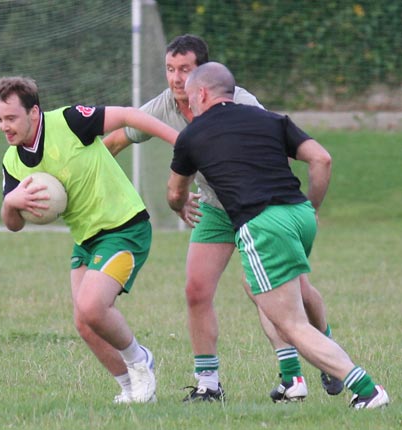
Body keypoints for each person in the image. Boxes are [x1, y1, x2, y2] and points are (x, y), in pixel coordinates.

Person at [104, 34, 343, 402]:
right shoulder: (163, 106)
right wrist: (91, 177)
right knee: (196, 290)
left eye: (185, 69)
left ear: (205, 74)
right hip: (215, 210)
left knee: (289, 293)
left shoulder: (242, 102)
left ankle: (326, 353)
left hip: (261, 207)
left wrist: (300, 206)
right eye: (170, 69)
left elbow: (270, 145)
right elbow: (119, 138)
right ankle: (208, 384)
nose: (176, 78)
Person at [166, 61, 390, 410]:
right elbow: (321, 159)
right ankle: (291, 380)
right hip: (300, 215)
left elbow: (175, 192)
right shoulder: (270, 119)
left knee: (293, 322)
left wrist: (178, 205)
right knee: (259, 288)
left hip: (262, 224)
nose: (189, 105)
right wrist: (311, 207)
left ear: (203, 94)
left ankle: (366, 388)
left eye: (191, 98)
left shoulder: (192, 135)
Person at [0, 76, 179, 404]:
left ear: (33, 113)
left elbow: (126, 116)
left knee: (92, 306)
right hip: (87, 238)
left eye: (11, 118)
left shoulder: (68, 121)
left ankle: (140, 360)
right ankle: (131, 389)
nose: (4, 127)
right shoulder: (12, 162)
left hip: (124, 226)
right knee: (84, 322)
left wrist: (179, 141)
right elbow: (13, 225)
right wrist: (12, 203)